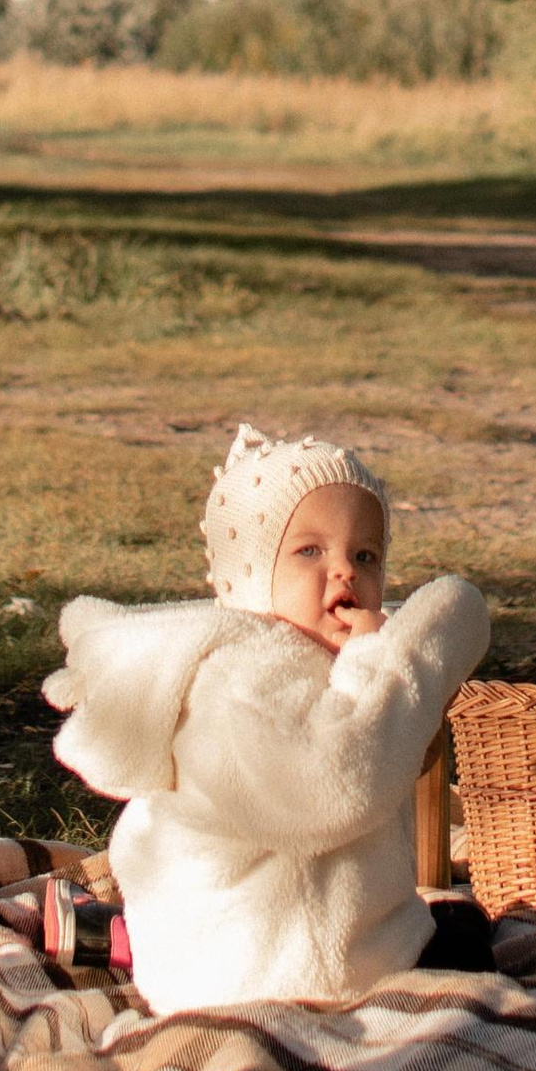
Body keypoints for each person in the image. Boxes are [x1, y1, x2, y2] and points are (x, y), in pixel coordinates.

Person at [39, 423, 495, 1014]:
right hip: (283, 972)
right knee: (469, 952)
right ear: (252, 573)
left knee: (459, 922)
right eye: (311, 551)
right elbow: (336, 785)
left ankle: (120, 938)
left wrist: (372, 652)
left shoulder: (303, 650)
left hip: (258, 942)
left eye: (365, 555)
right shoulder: (240, 675)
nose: (345, 572)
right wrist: (396, 657)